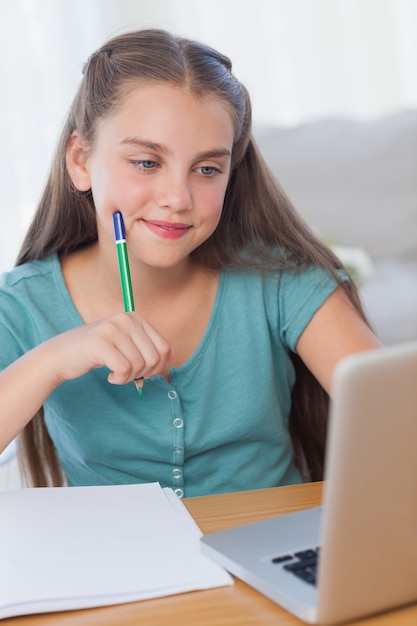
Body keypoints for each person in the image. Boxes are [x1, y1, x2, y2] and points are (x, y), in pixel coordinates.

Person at [0, 29, 380, 496]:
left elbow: (392, 412)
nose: (177, 199)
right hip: (118, 562)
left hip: (273, 552)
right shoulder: (21, 304)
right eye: (145, 162)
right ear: (80, 160)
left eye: (206, 170)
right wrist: (55, 359)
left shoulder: (280, 280)